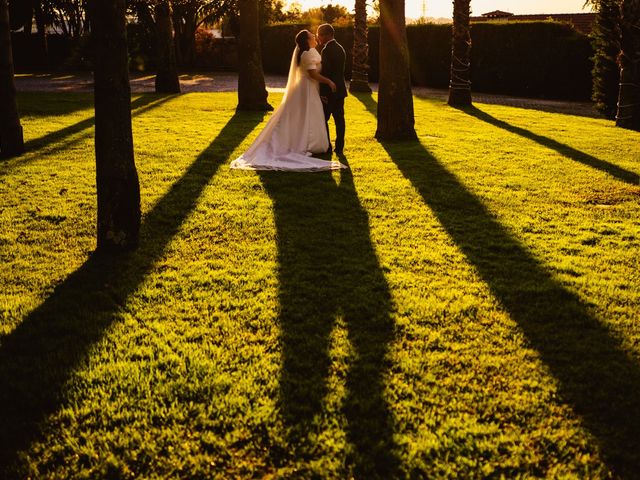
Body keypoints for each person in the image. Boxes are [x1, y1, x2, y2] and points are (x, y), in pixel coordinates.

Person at [230, 30, 347, 172]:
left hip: (311, 88)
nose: (314, 36)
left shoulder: (310, 51)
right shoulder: (307, 53)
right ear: (306, 40)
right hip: (307, 88)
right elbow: (312, 73)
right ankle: (309, 143)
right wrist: (328, 81)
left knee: (311, 115)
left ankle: (316, 143)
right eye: (311, 35)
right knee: (309, 114)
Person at [316, 23, 347, 155]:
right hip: (340, 90)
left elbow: (326, 73)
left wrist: (322, 93)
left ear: (327, 35)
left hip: (329, 91)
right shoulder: (341, 48)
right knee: (339, 119)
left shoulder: (326, 50)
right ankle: (339, 148)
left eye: (319, 35)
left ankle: (327, 145)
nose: (318, 38)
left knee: (323, 119)